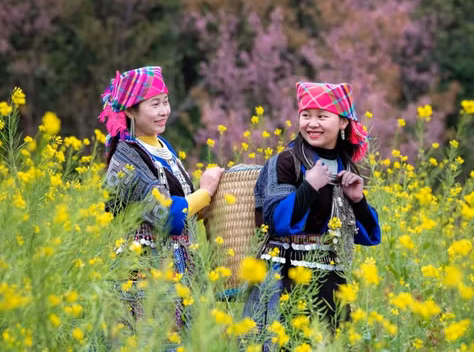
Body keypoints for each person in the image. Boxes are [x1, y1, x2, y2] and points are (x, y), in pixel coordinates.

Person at [244, 81, 381, 332]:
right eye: (306, 115)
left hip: (330, 280)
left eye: (322, 116)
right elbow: (273, 221)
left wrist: (358, 200)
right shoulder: (287, 162)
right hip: (285, 278)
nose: (312, 123)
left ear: (342, 122)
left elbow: (367, 235)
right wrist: (308, 187)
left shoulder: (347, 167)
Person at [100, 66, 223, 328]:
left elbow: (183, 204)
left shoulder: (161, 145)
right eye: (154, 104)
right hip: (147, 268)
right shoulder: (125, 157)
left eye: (165, 102)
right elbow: (166, 215)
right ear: (130, 111)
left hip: (178, 265)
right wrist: (206, 191)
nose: (164, 110)